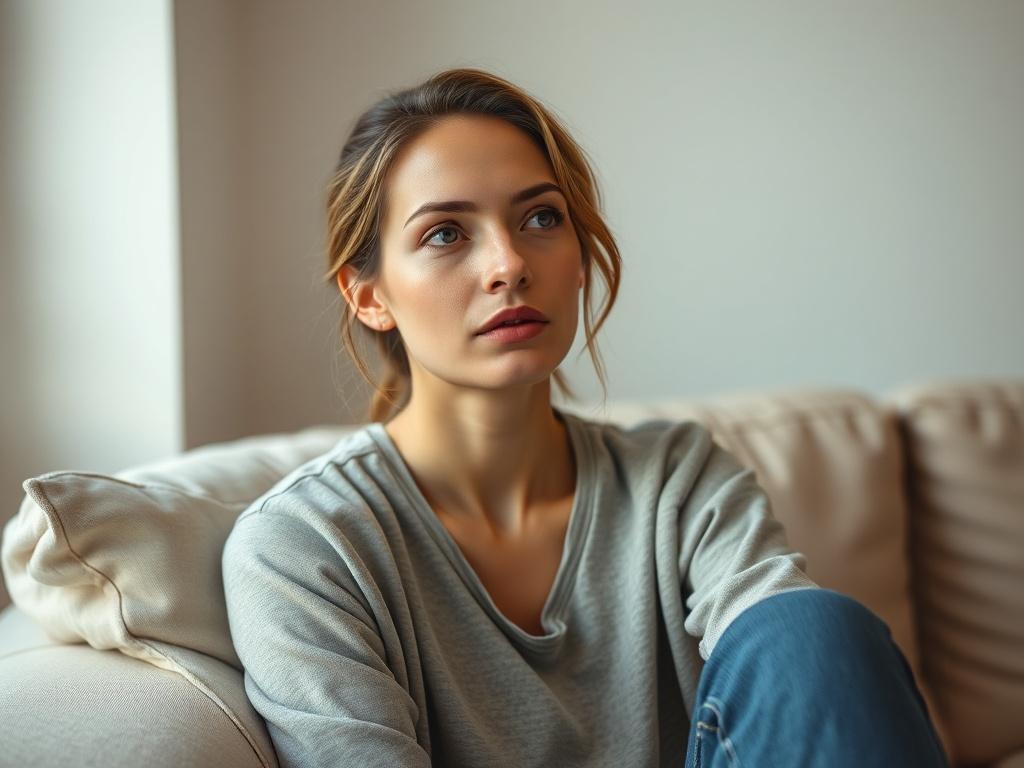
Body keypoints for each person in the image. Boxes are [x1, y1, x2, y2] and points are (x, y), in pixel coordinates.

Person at [221, 67, 948, 767]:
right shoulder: (304, 547)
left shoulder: (677, 479)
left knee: (815, 628)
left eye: (541, 217)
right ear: (367, 295)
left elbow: (800, 673)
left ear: (578, 259)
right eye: (446, 233)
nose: (509, 264)